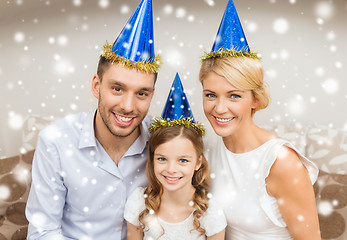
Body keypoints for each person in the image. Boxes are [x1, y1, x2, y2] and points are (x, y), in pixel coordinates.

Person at [25, 0, 161, 239]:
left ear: (151, 95)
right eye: (117, 89)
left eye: (141, 93)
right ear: (96, 86)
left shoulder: (164, 142)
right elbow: (43, 231)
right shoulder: (56, 141)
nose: (128, 107)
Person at [199, 0, 321, 239]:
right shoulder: (209, 149)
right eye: (210, 95)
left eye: (234, 96)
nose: (219, 108)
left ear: (255, 99)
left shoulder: (281, 162)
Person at [124, 73, 226, 240]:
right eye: (162, 159)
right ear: (152, 158)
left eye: (183, 160)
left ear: (198, 162)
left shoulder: (209, 212)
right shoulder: (139, 203)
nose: (171, 169)